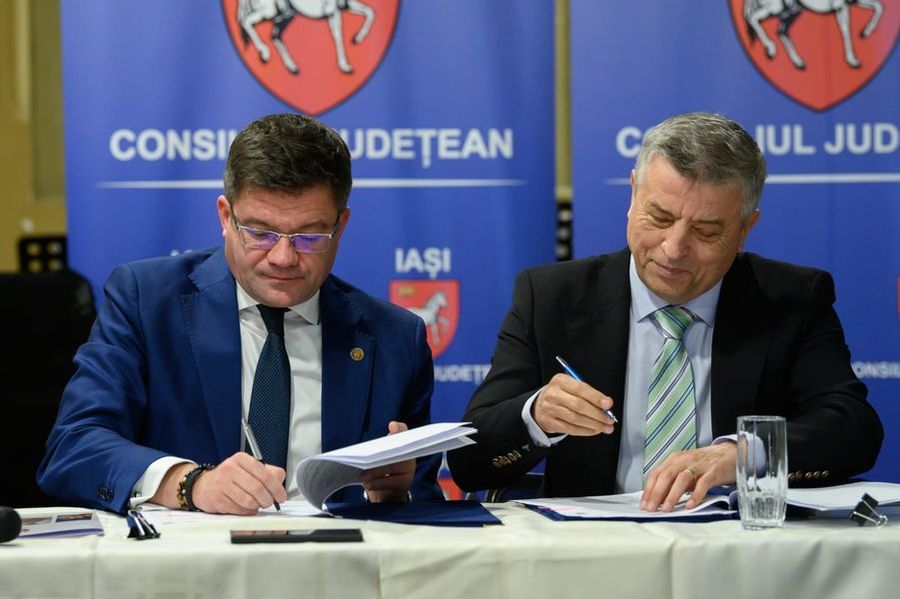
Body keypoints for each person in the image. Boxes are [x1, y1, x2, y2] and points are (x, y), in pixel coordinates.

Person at [447, 112, 882, 512]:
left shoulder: (791, 299)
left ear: (745, 228)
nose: (673, 249)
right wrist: (536, 416)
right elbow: (468, 461)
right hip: (588, 547)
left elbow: (854, 430)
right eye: (659, 217)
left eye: (706, 231)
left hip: (738, 547)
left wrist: (744, 455)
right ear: (633, 194)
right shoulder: (550, 297)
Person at [38, 113, 440, 514]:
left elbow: (422, 500)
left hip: (339, 552)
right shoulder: (147, 301)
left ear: (341, 226)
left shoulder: (394, 338)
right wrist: (190, 483)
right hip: (188, 553)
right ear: (225, 217)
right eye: (260, 233)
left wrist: (392, 496)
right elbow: (75, 446)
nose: (283, 258)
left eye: (309, 236)